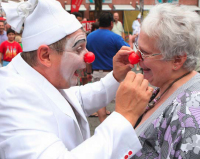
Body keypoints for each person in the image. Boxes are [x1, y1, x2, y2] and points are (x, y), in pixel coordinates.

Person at [0, 0, 153, 158]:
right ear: (45, 56)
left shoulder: (41, 77)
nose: (88, 58)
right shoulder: (12, 97)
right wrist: (124, 118)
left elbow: (77, 99)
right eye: (78, 48)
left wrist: (115, 76)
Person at [131, 3, 200, 159]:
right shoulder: (165, 85)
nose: (135, 58)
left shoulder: (191, 113)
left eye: (145, 53)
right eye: (138, 48)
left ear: (176, 60)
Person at [87, 12, 130, 122]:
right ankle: (119, 124)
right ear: (111, 23)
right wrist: (130, 40)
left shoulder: (90, 37)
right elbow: (128, 50)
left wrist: (88, 72)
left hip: (96, 72)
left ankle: (102, 123)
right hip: (113, 73)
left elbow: (87, 56)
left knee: (100, 99)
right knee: (120, 100)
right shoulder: (115, 37)